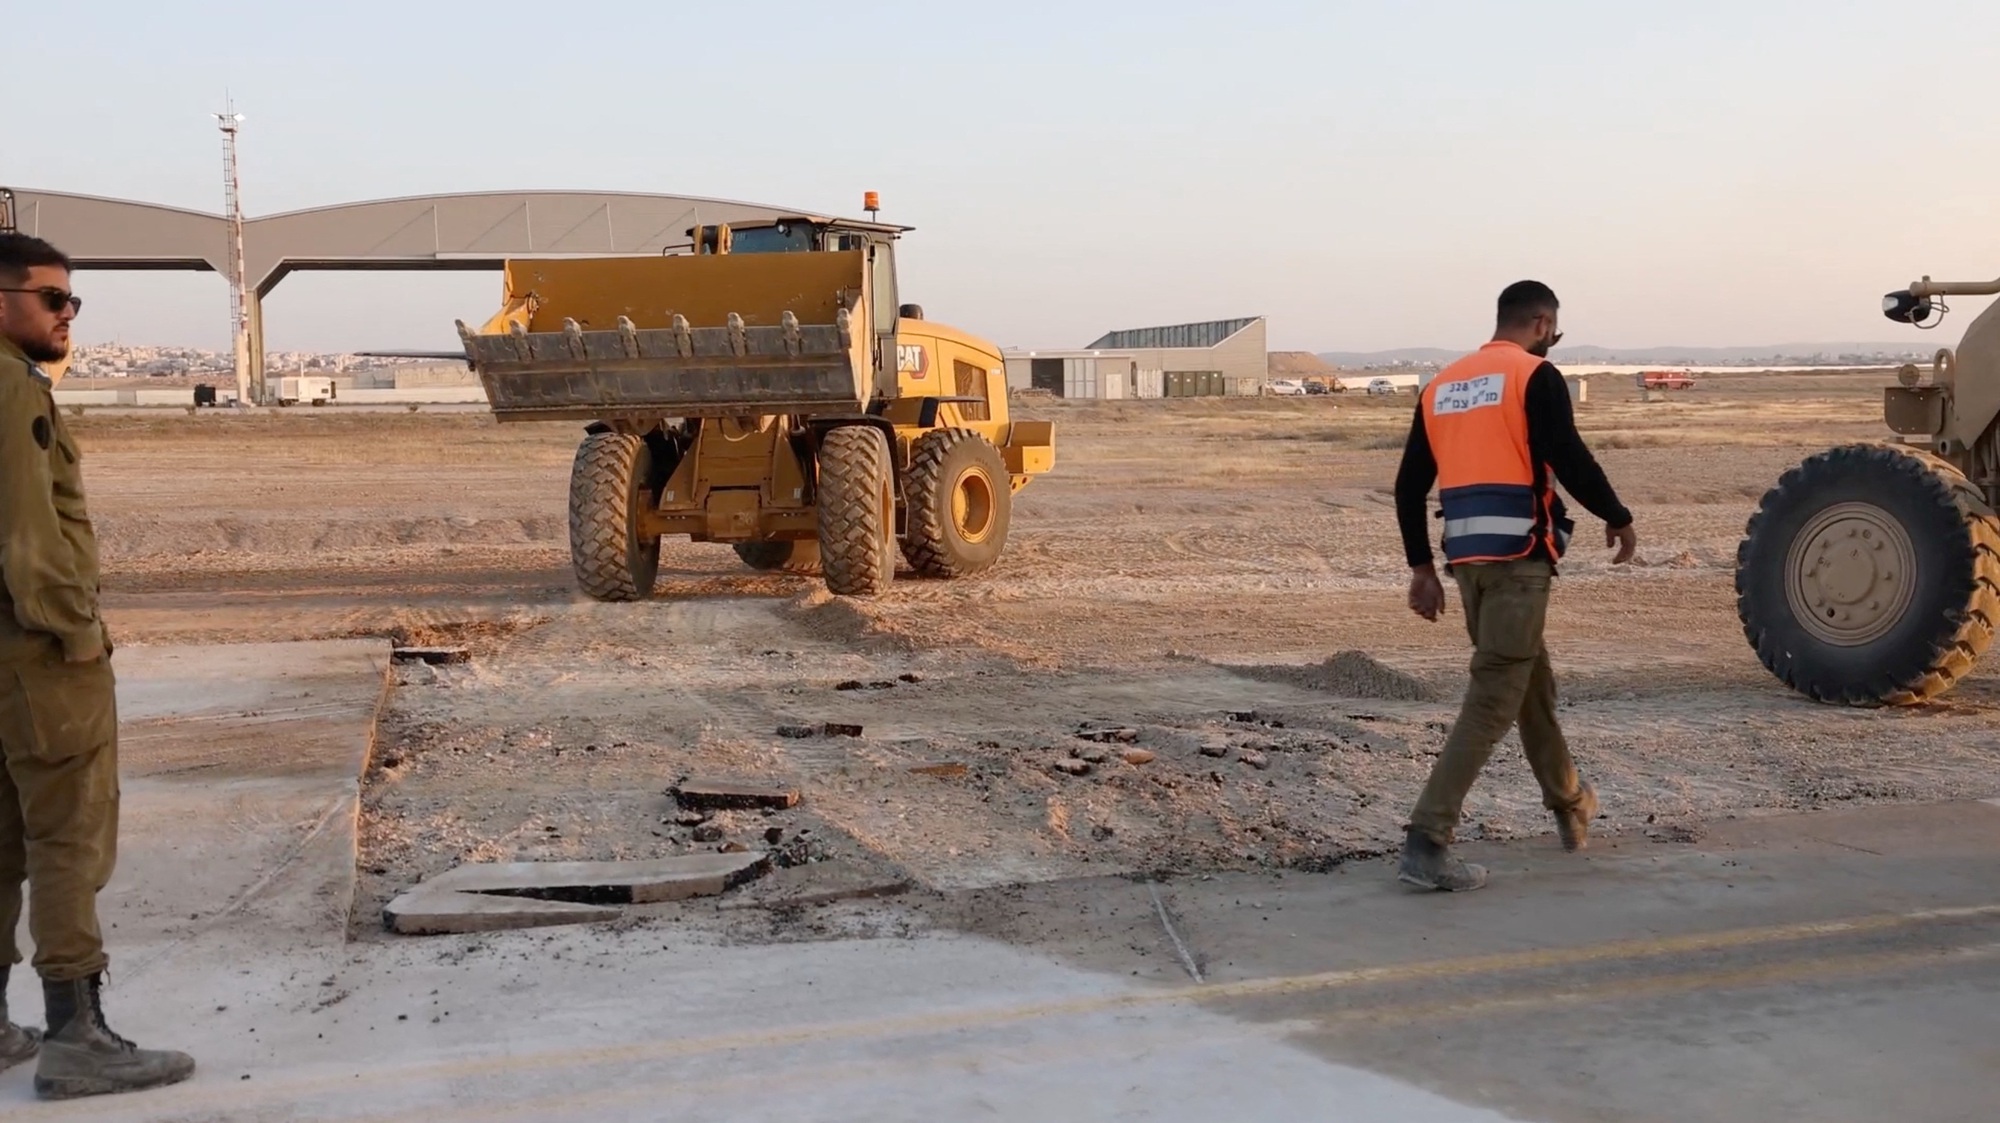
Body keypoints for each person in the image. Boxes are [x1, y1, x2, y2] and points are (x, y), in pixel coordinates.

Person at [0, 232, 195, 1098]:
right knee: (70, 833)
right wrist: (74, 632)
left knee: (2, 839)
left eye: (72, 300)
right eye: (53, 298)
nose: (68, 314)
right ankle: (75, 1033)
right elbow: (27, 533)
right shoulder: (12, 390)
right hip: (36, 653)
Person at [1391, 280, 1637, 892]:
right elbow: (1569, 454)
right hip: (1520, 561)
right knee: (1495, 695)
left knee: (1530, 683)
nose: (1551, 342)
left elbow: (1407, 485)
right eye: (1553, 333)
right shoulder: (1534, 376)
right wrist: (1618, 515)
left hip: (1469, 565)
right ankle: (1428, 838)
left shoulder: (1442, 386)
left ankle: (1570, 801)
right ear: (1541, 322)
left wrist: (1422, 568)